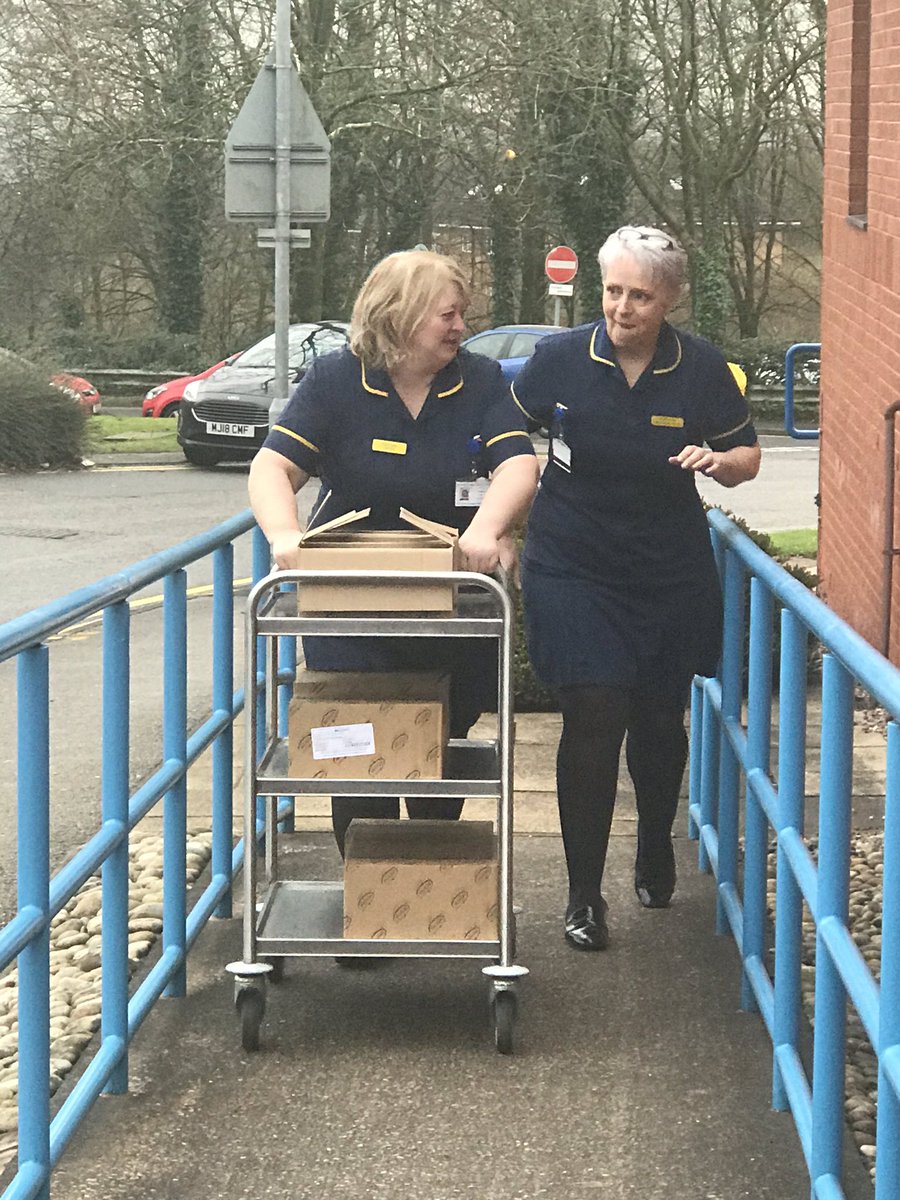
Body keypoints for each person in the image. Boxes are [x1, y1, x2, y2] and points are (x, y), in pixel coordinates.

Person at [512, 225, 761, 952]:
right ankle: (583, 896)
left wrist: (719, 461)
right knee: (593, 711)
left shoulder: (701, 368)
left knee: (657, 720)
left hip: (665, 567)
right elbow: (503, 434)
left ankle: (654, 840)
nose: (622, 308)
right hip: (572, 563)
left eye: (641, 297)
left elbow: (747, 455)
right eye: (614, 291)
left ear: (670, 299)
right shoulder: (560, 359)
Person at [248, 249, 539, 857]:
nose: (460, 327)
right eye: (447, 315)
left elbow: (517, 464)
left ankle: (425, 879)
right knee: (358, 751)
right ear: (400, 315)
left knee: (441, 749)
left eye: (461, 314)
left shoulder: (481, 381)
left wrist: (486, 529)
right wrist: (284, 535)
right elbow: (273, 466)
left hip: (450, 604)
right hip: (352, 607)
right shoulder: (336, 380)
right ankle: (367, 886)